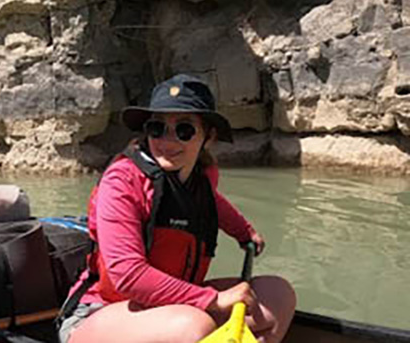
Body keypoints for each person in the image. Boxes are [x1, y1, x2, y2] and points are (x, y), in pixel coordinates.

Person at [59, 74, 297, 343]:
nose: (168, 141)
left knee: (277, 295)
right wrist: (213, 299)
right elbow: (128, 276)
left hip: (172, 307)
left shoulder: (200, 178)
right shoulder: (122, 181)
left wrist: (244, 231)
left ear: (208, 136)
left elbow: (212, 202)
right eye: (158, 128)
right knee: (194, 327)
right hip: (98, 314)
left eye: (184, 130)